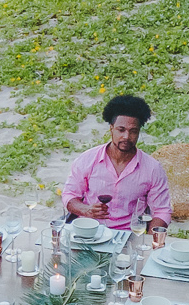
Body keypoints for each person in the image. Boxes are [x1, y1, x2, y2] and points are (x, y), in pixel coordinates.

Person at [61, 94, 172, 230]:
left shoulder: (152, 168)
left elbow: (162, 211)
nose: (126, 136)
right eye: (121, 130)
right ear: (111, 128)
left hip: (129, 235)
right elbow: (69, 195)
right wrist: (85, 210)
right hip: (89, 231)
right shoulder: (87, 159)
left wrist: (151, 241)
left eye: (133, 131)